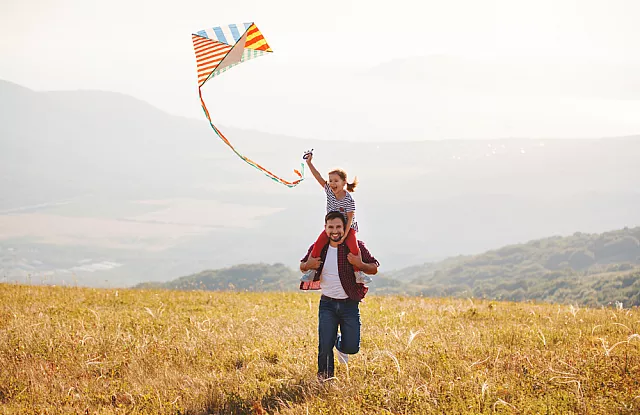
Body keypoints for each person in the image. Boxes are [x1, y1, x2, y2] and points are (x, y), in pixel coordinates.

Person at [300, 211, 380, 380]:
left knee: (352, 347)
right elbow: (303, 265)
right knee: (324, 346)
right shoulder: (319, 247)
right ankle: (325, 380)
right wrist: (309, 264)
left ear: (345, 228)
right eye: (331, 227)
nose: (334, 231)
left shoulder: (356, 246)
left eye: (338, 227)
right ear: (325, 228)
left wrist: (360, 264)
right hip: (327, 304)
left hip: (349, 304)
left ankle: (339, 342)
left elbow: (374, 267)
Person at [300, 151, 372, 285]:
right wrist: (309, 163)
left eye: (336, 181)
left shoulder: (349, 199)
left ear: (344, 182)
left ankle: (358, 273)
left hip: (348, 227)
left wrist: (345, 235)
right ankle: (312, 270)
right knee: (318, 244)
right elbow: (317, 176)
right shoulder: (329, 191)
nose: (332, 183)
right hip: (331, 226)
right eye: (331, 181)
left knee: (354, 247)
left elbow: (350, 218)